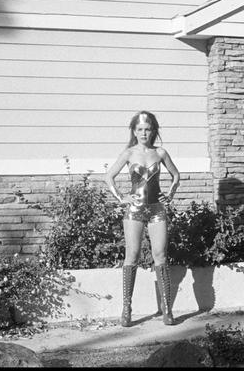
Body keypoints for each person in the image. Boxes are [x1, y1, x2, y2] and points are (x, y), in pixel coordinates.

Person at [105, 110, 181, 327]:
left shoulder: (161, 153)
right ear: (134, 131)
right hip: (134, 210)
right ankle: (127, 309)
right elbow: (108, 177)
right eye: (139, 129)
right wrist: (121, 197)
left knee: (160, 254)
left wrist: (170, 194)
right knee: (132, 254)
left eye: (147, 129)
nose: (144, 133)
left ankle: (167, 309)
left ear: (153, 130)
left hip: (157, 210)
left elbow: (176, 175)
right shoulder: (128, 153)